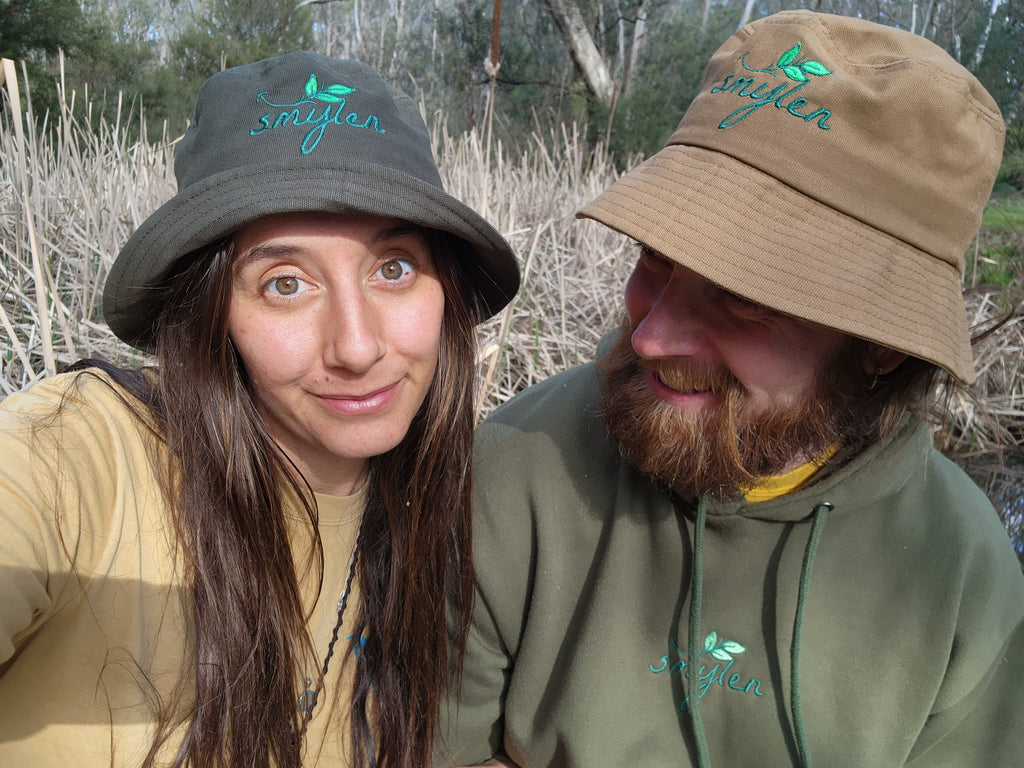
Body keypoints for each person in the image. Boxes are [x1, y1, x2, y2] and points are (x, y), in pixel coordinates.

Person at [438, 11, 1024, 768]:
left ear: (881, 347)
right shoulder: (512, 471)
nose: (649, 335)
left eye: (744, 294)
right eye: (656, 256)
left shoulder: (964, 583)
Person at [0, 52, 519, 768]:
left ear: (445, 293)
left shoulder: (442, 516)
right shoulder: (79, 458)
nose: (358, 346)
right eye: (284, 283)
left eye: (393, 268)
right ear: (211, 312)